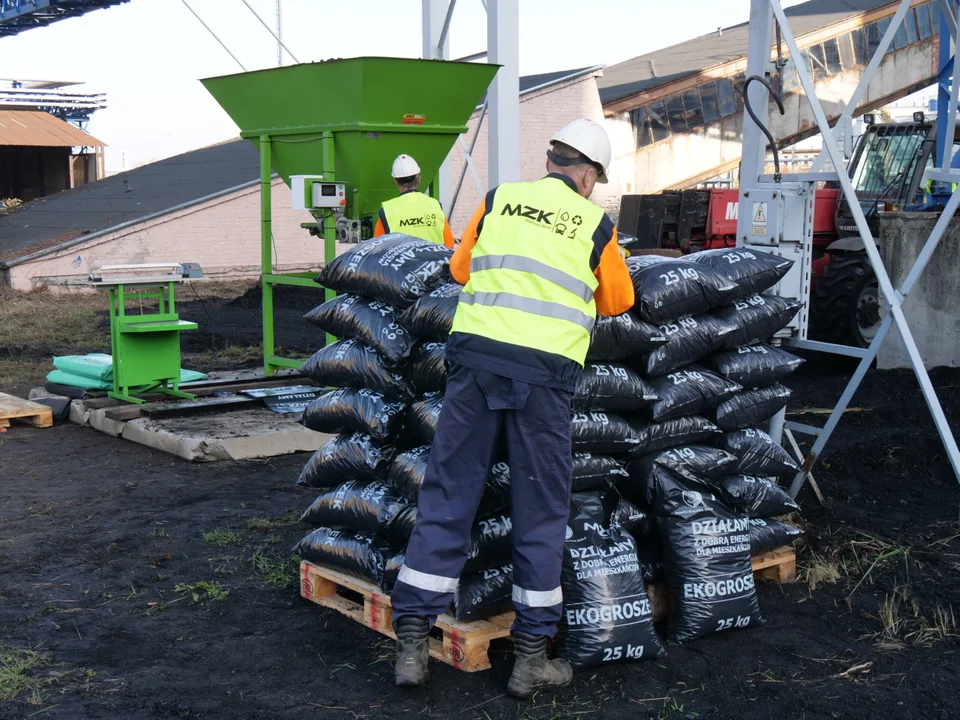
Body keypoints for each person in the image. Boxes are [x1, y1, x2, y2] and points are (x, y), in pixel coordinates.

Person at [390, 119, 635, 697]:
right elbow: (619, 299)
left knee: (448, 494)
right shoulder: (594, 223)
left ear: (551, 160)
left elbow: (457, 269)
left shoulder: (498, 200)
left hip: (474, 367)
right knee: (540, 509)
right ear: (588, 173)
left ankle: (410, 649)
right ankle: (530, 662)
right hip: (545, 379)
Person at [374, 154, 456, 247]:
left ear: (396, 181)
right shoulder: (435, 205)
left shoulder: (387, 211)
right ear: (419, 179)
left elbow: (378, 248)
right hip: (435, 261)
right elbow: (449, 243)